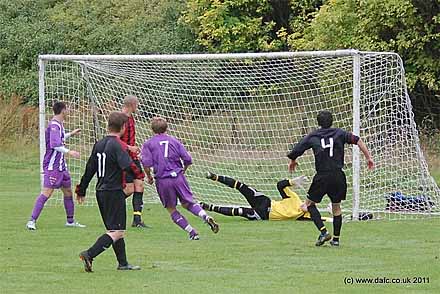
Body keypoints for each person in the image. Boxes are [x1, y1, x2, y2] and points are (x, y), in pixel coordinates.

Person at [287, 110, 374, 246]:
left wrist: (293, 160)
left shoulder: (313, 136)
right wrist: (368, 157)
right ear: (332, 121)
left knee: (308, 205)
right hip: (338, 176)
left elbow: (297, 150)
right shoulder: (340, 133)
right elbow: (357, 140)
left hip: (322, 175)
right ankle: (336, 239)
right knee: (336, 207)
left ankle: (323, 232)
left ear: (318, 122)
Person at [75, 112, 144, 272]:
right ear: (123, 128)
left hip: (101, 191)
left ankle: (123, 263)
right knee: (118, 231)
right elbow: (128, 165)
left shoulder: (99, 144)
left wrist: (82, 189)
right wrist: (140, 175)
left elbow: (90, 168)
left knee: (114, 229)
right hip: (113, 191)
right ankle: (89, 254)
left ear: (108, 125)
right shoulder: (118, 145)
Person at [141, 117, 219, 240]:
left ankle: (192, 232)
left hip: (163, 180)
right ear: (166, 128)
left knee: (171, 209)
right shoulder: (174, 141)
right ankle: (205, 216)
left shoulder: (148, 144)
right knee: (188, 203)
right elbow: (188, 159)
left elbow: (146, 164)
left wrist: (149, 177)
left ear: (152, 129)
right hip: (178, 177)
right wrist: (183, 170)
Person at [26, 101, 85, 230]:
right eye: (68, 109)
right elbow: (55, 144)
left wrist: (71, 134)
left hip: (61, 166)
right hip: (53, 166)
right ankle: (31, 221)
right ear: (63, 110)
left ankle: (70, 221)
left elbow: (60, 138)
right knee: (47, 193)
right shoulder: (54, 125)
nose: (69, 111)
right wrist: (70, 152)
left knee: (68, 192)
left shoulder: (59, 125)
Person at [202, 172, 332, 222]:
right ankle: (215, 177)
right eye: (309, 205)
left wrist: (335, 217)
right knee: (242, 187)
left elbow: (321, 219)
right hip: (265, 201)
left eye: (310, 209)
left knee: (239, 211)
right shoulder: (295, 199)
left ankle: (210, 207)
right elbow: (280, 185)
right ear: (306, 201)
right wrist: (292, 182)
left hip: (263, 215)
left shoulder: (303, 216)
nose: (307, 208)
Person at [121, 95, 148, 228]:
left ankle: (137, 220)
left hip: (132, 158)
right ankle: (112, 202)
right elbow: (114, 140)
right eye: (136, 104)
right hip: (123, 159)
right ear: (132, 104)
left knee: (140, 185)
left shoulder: (131, 118)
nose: (137, 106)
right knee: (130, 189)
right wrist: (129, 148)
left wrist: (134, 151)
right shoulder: (120, 119)